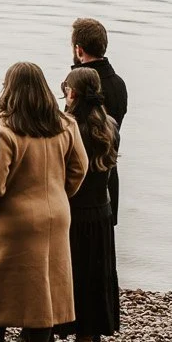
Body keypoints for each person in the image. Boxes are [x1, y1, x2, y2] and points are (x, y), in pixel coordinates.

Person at [0, 62, 88, 342]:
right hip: (55, 215)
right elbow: (79, 169)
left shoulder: (4, 131)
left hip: (12, 220)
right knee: (46, 287)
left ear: (8, 90)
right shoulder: (65, 125)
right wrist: (58, 194)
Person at [61, 65, 123, 342]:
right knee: (94, 274)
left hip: (73, 211)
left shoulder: (68, 126)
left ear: (72, 93)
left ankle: (46, 339)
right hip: (100, 211)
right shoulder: (110, 125)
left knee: (64, 273)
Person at [71, 17, 128, 220]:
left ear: (79, 50)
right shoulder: (119, 84)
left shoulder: (78, 86)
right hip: (108, 176)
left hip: (82, 184)